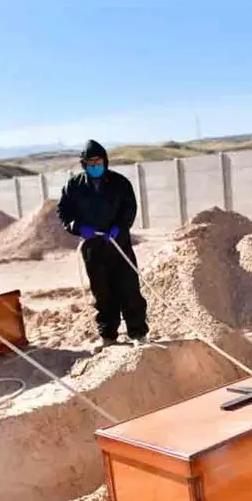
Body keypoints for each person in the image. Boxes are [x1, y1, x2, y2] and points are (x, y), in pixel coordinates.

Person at [57, 139, 149, 351]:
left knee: (129, 289)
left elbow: (129, 209)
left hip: (118, 245)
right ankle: (108, 336)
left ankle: (138, 333)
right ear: (84, 164)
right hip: (93, 248)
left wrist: (120, 227)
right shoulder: (74, 186)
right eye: (91, 163)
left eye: (98, 162)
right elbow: (64, 213)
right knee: (102, 294)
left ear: (105, 161)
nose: (95, 166)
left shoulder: (120, 183)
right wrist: (77, 227)